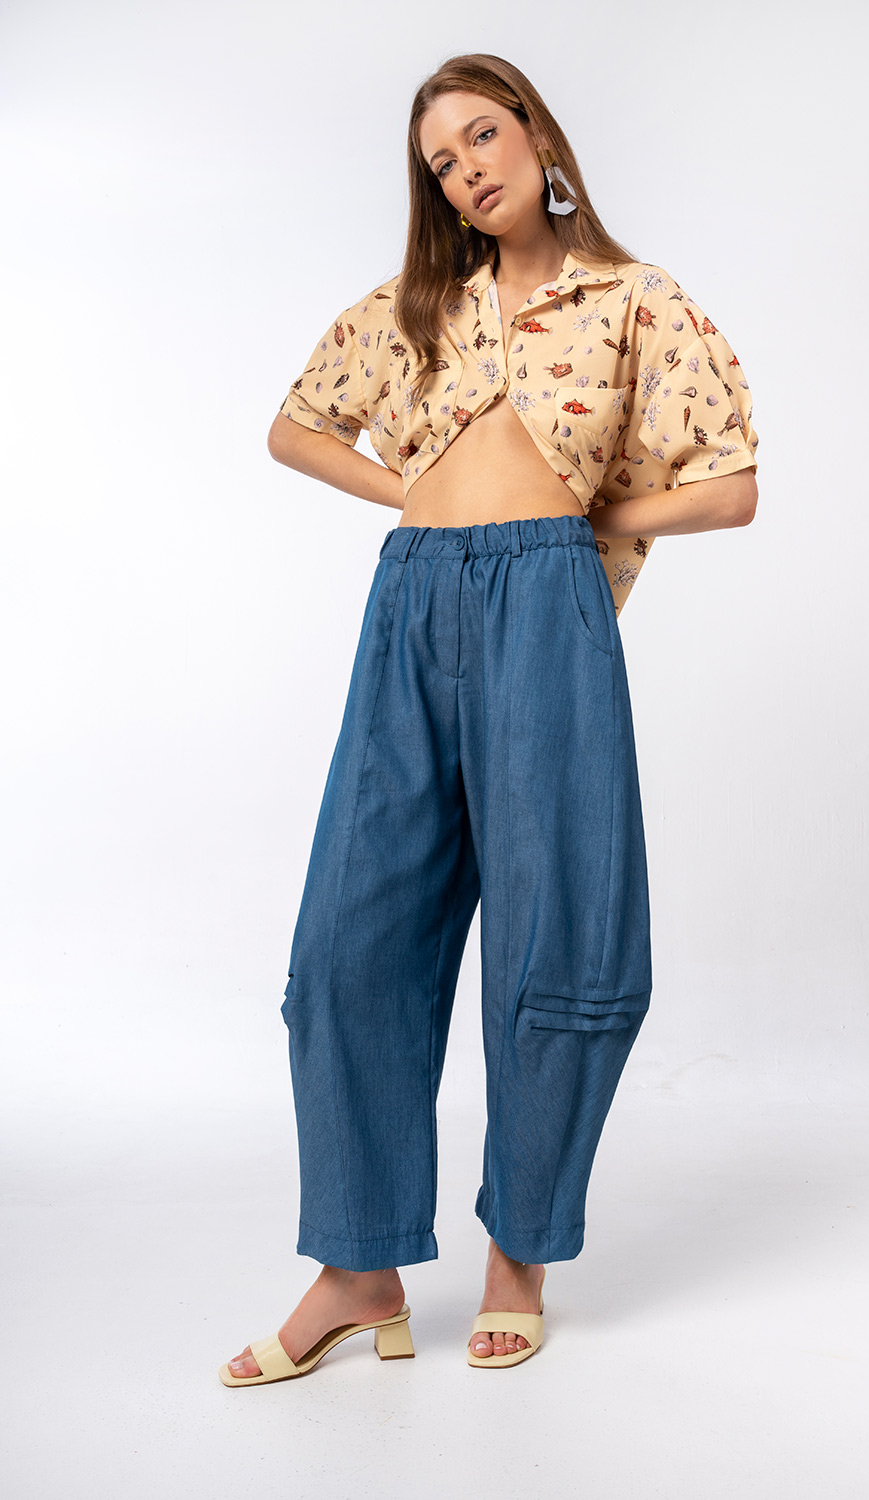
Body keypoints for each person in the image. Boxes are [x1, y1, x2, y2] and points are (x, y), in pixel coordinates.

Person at [220, 51, 758, 1386]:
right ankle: (359, 1269)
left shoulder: (634, 299)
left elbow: (729, 485)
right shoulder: (414, 307)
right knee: (346, 942)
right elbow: (296, 428)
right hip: (413, 600)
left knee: (557, 932)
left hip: (546, 605)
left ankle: (520, 1253)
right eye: (441, 162)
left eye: (479, 136)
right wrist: (409, 493)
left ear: (537, 135)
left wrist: (580, 522)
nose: (465, 170)